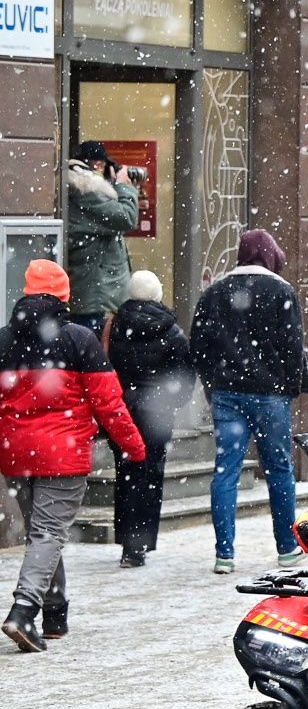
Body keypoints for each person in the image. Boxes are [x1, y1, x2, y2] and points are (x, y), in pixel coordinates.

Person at [0, 260, 146, 651]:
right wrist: (133, 446)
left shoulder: (3, 341)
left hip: (17, 453)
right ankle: (23, 610)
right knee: (48, 534)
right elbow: (109, 403)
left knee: (41, 535)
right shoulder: (78, 339)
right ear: (63, 295)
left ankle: (55, 614)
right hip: (63, 454)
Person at [190, 228, 308, 575]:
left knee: (225, 470)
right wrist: (289, 386)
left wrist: (212, 384)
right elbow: (293, 346)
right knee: (279, 469)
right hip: (271, 395)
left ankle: (224, 553)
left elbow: (198, 345)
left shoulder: (214, 293)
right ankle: (287, 547)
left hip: (227, 395)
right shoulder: (281, 291)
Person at [107, 270, 196, 568]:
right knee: (150, 475)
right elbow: (185, 375)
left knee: (126, 472)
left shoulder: (116, 325)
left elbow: (107, 366)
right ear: (157, 293)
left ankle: (127, 542)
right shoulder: (170, 330)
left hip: (123, 410)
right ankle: (140, 543)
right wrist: (172, 401)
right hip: (156, 413)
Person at [62, 142, 140, 338]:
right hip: (97, 297)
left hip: (94, 295)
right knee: (97, 359)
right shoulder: (85, 190)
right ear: (98, 165)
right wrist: (124, 186)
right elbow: (126, 217)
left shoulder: (81, 189)